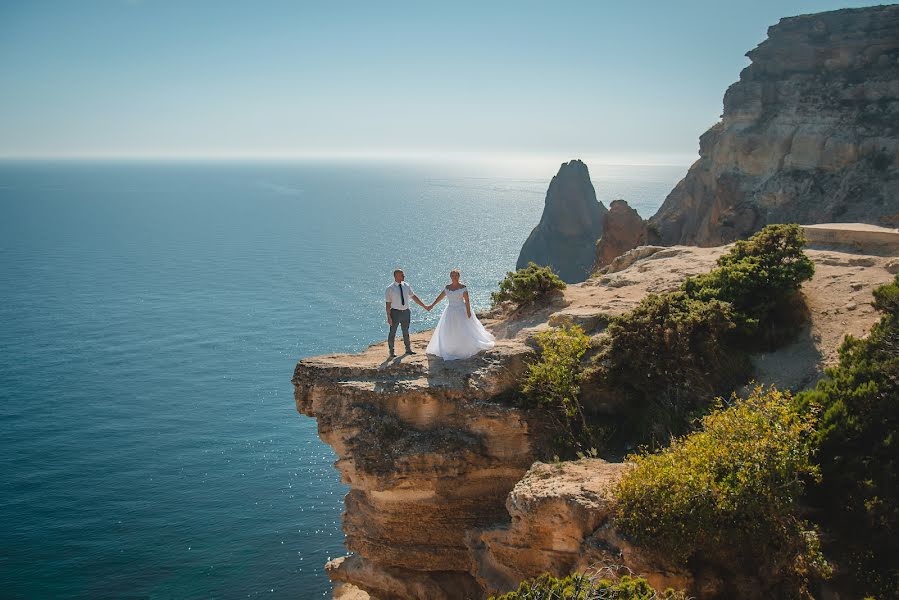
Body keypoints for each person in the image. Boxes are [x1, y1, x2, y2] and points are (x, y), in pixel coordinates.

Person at [425, 269, 496, 360]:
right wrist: (432, 305)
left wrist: (468, 311)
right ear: (450, 277)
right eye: (453, 276)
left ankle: (464, 347)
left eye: (456, 275)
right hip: (450, 311)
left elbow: (467, 300)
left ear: (459, 276)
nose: (454, 277)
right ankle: (451, 348)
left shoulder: (463, 287)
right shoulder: (447, 287)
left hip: (461, 310)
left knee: (464, 329)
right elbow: (440, 297)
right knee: (450, 330)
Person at [385, 269, 429, 358]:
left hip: (406, 312)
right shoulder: (390, 289)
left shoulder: (406, 285)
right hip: (395, 313)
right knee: (392, 332)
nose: (404, 276)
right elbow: (388, 304)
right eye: (402, 275)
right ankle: (391, 351)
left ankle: (408, 350)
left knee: (406, 331)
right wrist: (389, 317)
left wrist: (424, 306)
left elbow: (414, 297)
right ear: (396, 276)